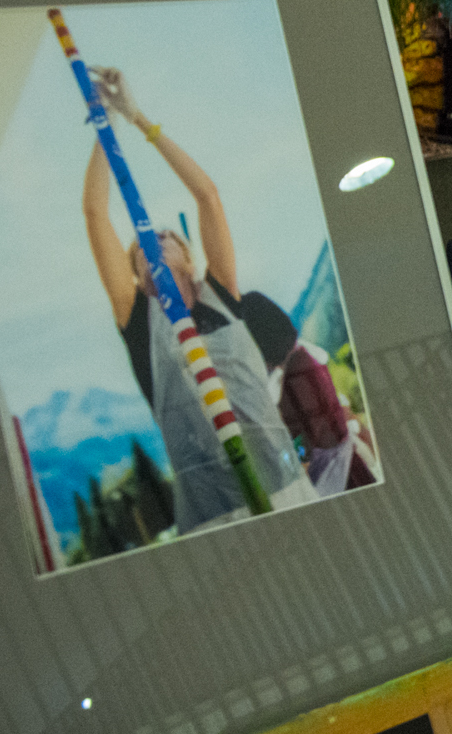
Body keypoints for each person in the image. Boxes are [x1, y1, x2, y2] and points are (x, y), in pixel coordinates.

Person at [81, 66, 318, 529]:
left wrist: (137, 117)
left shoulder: (221, 296)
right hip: (214, 518)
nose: (153, 243)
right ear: (136, 276)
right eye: (141, 248)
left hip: (288, 491)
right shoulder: (138, 322)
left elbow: (207, 195)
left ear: (188, 259)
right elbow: (95, 213)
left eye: (164, 236)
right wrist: (104, 125)